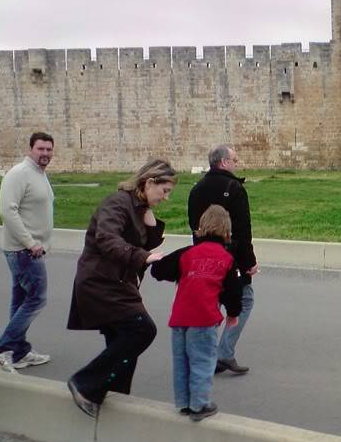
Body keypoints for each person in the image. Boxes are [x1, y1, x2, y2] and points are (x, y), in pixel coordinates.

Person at [66, 159, 177, 418]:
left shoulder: (137, 208)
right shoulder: (116, 203)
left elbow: (144, 241)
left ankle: (114, 397)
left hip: (118, 283)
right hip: (100, 283)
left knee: (122, 341)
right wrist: (142, 257)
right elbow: (107, 239)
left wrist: (150, 221)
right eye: (164, 190)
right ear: (149, 182)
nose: (166, 197)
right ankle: (85, 383)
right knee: (142, 330)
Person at [151, 206, 243, 422]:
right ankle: (200, 405)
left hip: (179, 318)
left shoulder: (187, 253)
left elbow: (159, 270)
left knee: (181, 362)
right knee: (202, 361)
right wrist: (233, 313)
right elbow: (234, 290)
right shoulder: (227, 258)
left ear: (200, 228)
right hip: (204, 319)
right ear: (227, 232)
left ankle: (183, 403)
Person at [0, 132, 55, 374]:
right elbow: (6, 211)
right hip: (24, 251)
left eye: (48, 149)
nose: (45, 153)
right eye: (40, 149)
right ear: (30, 149)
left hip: (30, 249)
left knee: (21, 300)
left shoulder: (38, 174)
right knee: (36, 299)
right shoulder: (19, 174)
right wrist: (30, 242)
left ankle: (19, 352)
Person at [188, 145, 258, 376]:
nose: (237, 163)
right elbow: (242, 229)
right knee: (244, 300)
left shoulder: (196, 189)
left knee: (212, 302)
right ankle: (224, 353)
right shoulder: (234, 187)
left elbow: (193, 225)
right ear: (224, 162)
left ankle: (203, 355)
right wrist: (249, 261)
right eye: (235, 160)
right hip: (231, 259)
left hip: (203, 256)